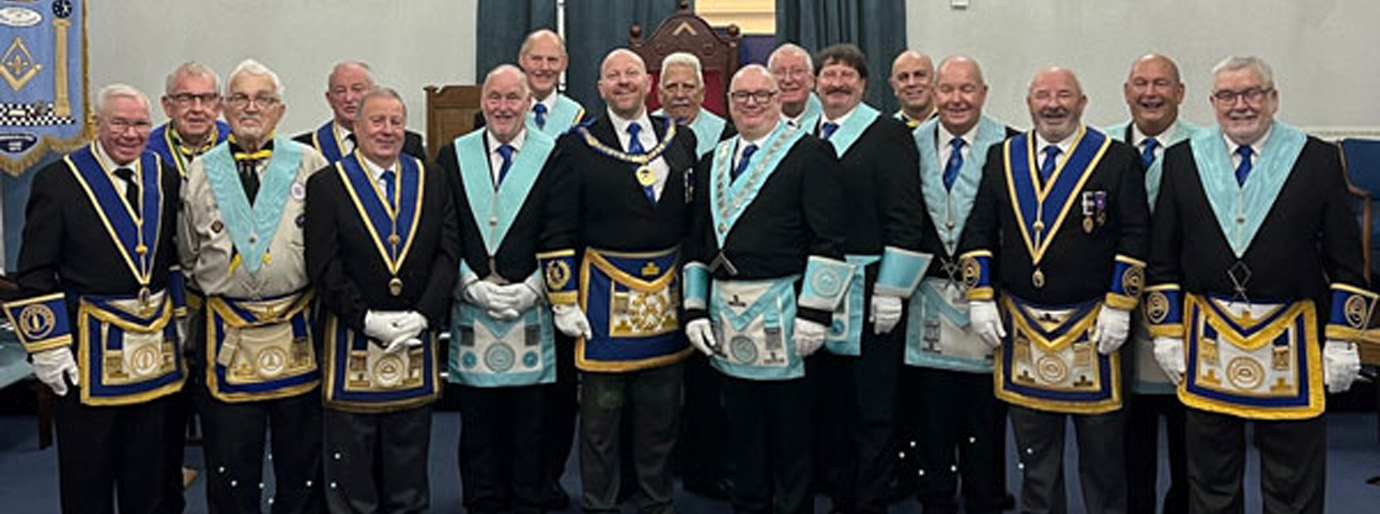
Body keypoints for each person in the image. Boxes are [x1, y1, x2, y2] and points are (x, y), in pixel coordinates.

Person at [1147, 55, 1371, 514]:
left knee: (1293, 477)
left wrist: (1343, 341)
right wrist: (1167, 333)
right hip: (1209, 338)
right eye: (1228, 96)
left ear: (1273, 99)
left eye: (1252, 93)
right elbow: (1162, 256)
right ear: (1212, 102)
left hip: (1292, 339)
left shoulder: (1318, 159)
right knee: (1210, 476)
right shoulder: (1183, 160)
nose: (1240, 105)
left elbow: (1347, 259)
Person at [959, 66, 1149, 514]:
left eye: (1064, 95)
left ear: (1082, 103)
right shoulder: (1002, 157)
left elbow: (1137, 235)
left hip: (1095, 328)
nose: (1053, 104)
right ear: (1029, 104)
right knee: (1035, 459)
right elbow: (979, 231)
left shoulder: (1114, 158)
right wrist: (980, 297)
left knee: (1103, 460)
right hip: (1023, 327)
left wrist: (1121, 305)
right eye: (1042, 95)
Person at [4, 83, 184, 514]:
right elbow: (35, 271)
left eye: (140, 124)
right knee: (89, 476)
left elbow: (170, 257)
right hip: (86, 356)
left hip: (152, 353)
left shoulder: (164, 174)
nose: (131, 134)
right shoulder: (59, 181)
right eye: (119, 123)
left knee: (151, 473)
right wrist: (48, 349)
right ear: (96, 124)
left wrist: (179, 319)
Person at [682, 63, 850, 514]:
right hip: (726, 317)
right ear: (729, 103)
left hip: (786, 315)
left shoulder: (811, 153)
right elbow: (698, 242)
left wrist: (815, 314)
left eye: (762, 95)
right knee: (741, 431)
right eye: (742, 96)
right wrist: (694, 308)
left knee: (793, 436)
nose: (751, 103)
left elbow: (829, 239)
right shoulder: (711, 160)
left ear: (779, 100)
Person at [538, 48, 697, 513]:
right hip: (601, 299)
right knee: (601, 418)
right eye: (613, 76)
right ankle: (600, 503)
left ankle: (655, 501)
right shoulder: (576, 145)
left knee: (661, 413)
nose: (623, 82)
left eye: (631, 74)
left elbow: (693, 222)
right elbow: (557, 228)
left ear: (648, 83)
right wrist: (563, 299)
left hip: (667, 296)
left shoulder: (679, 139)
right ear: (600, 87)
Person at [179, 58, 329, 513]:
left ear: (280, 111)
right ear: (224, 108)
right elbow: (188, 254)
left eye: (263, 98)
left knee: (300, 456)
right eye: (240, 97)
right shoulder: (201, 170)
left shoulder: (308, 163)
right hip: (226, 334)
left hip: (296, 332)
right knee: (230, 458)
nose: (251, 107)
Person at [305, 86, 458, 513]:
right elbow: (324, 266)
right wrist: (365, 318)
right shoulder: (328, 184)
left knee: (408, 462)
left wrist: (424, 316)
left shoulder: (431, 177)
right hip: (352, 336)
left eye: (395, 121)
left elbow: (448, 254)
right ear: (356, 126)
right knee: (351, 467)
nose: (387, 130)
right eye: (377, 121)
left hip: (415, 338)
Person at [435, 64, 561, 514]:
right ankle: (483, 499)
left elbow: (561, 227)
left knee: (531, 420)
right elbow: (444, 229)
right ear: (483, 101)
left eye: (513, 98)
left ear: (529, 103)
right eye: (495, 97)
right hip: (474, 304)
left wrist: (535, 287)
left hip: (532, 302)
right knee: (478, 420)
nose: (503, 107)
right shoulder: (454, 156)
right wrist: (467, 284)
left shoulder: (554, 154)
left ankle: (528, 498)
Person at [809, 43, 929, 514]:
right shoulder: (804, 134)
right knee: (830, 400)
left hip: (872, 287)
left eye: (847, 76)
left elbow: (906, 217)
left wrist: (892, 290)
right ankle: (839, 490)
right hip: (818, 287)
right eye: (829, 75)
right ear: (816, 83)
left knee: (873, 404)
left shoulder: (887, 135)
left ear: (864, 84)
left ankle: (870, 497)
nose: (837, 83)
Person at [902, 56, 1017, 514]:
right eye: (946, 89)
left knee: (985, 416)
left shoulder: (1010, 145)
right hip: (925, 299)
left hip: (987, 302)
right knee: (931, 415)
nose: (956, 99)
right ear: (934, 93)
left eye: (966, 89)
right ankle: (936, 501)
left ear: (984, 93)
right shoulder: (909, 145)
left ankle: (986, 497)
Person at [1103, 53, 1199, 514]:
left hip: (1188, 321)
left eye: (1161, 84)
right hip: (1116, 320)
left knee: (1190, 442)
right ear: (1125, 91)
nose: (1150, 93)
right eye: (1140, 83)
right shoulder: (1099, 149)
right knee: (1127, 441)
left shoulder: (1208, 149)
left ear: (1180, 93)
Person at [147, 60, 231, 500]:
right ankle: (167, 484)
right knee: (166, 405)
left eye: (206, 98)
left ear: (219, 104)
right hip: (163, 297)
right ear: (167, 105)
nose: (197, 108)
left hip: (224, 300)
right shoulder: (144, 149)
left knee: (223, 407)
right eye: (186, 99)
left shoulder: (241, 148)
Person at [292, 61, 425, 163]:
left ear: (374, 93)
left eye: (357, 89)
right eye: (340, 91)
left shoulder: (409, 144)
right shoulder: (305, 147)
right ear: (329, 98)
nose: (349, 98)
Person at [653, 52, 735, 157]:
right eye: (671, 87)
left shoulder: (725, 134)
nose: (680, 95)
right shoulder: (645, 129)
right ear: (660, 93)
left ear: (702, 93)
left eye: (688, 87)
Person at [521, 29, 586, 136]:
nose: (544, 67)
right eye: (536, 59)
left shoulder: (578, 118)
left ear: (564, 63)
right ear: (522, 60)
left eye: (552, 60)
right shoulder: (505, 112)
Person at [768, 43, 822, 130]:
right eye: (780, 72)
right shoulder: (756, 118)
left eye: (797, 71)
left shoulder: (827, 119)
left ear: (811, 80)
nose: (788, 80)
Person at [888, 50, 937, 127]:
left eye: (919, 75)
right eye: (903, 77)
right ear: (894, 86)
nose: (911, 83)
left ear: (934, 80)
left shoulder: (953, 125)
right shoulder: (886, 131)